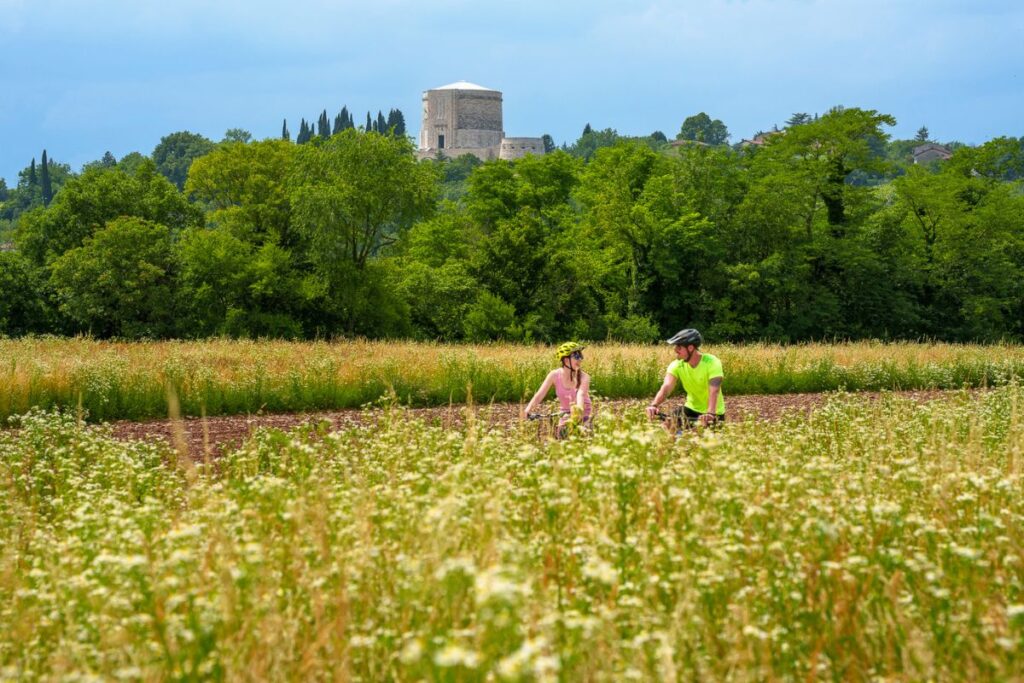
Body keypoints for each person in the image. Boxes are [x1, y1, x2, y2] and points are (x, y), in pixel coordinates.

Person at [645, 328, 725, 432]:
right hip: (690, 409)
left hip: (714, 413)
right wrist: (653, 405)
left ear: (690, 348)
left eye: (679, 347)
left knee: (696, 440)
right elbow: (666, 387)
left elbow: (714, 390)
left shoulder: (712, 362)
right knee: (667, 426)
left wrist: (710, 413)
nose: (675, 350)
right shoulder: (677, 365)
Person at [522, 341, 592, 437]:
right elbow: (539, 395)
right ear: (566, 360)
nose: (580, 359)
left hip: (583, 415)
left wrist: (578, 412)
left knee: (582, 439)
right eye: (576, 356)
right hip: (564, 415)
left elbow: (581, 395)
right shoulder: (554, 375)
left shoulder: (585, 377)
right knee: (560, 438)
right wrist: (528, 410)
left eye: (581, 356)